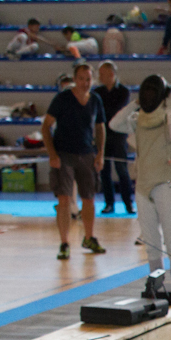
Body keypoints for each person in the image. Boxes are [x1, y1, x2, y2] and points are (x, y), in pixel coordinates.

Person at [109, 75, 171, 292]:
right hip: (143, 188)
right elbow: (114, 124)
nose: (149, 96)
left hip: (167, 186)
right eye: (146, 93)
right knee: (152, 244)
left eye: (153, 92)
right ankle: (157, 287)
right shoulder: (139, 120)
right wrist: (135, 103)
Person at [41, 61, 108, 260]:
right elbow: (46, 126)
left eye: (88, 79)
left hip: (87, 153)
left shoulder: (95, 100)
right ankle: (64, 242)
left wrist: (100, 153)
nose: (85, 83)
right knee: (64, 199)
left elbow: (100, 127)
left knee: (89, 198)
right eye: (81, 79)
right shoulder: (62, 99)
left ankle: (89, 237)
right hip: (64, 154)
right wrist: (52, 154)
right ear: (75, 79)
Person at [94, 62, 133, 216]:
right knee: (104, 171)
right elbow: (99, 112)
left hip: (118, 135)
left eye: (102, 74)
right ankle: (109, 203)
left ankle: (128, 203)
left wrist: (105, 114)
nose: (100, 77)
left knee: (122, 170)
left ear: (111, 74)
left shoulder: (123, 91)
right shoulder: (97, 92)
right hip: (103, 134)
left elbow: (118, 112)